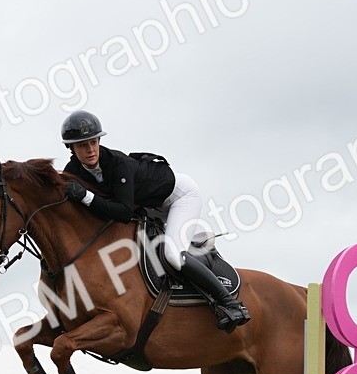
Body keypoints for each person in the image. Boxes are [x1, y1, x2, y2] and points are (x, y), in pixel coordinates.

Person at [59, 110, 250, 332]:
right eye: (83, 145)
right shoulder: (73, 171)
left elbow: (123, 212)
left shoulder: (118, 163)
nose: (91, 149)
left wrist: (86, 196)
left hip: (178, 197)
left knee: (173, 255)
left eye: (93, 142)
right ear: (71, 149)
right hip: (150, 206)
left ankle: (230, 304)